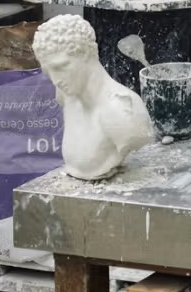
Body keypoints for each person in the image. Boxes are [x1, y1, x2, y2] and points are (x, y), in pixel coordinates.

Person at [32, 14, 152, 181]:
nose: (55, 80)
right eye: (48, 71)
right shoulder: (66, 95)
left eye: (61, 67)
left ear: (87, 54)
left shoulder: (121, 109)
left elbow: (138, 136)